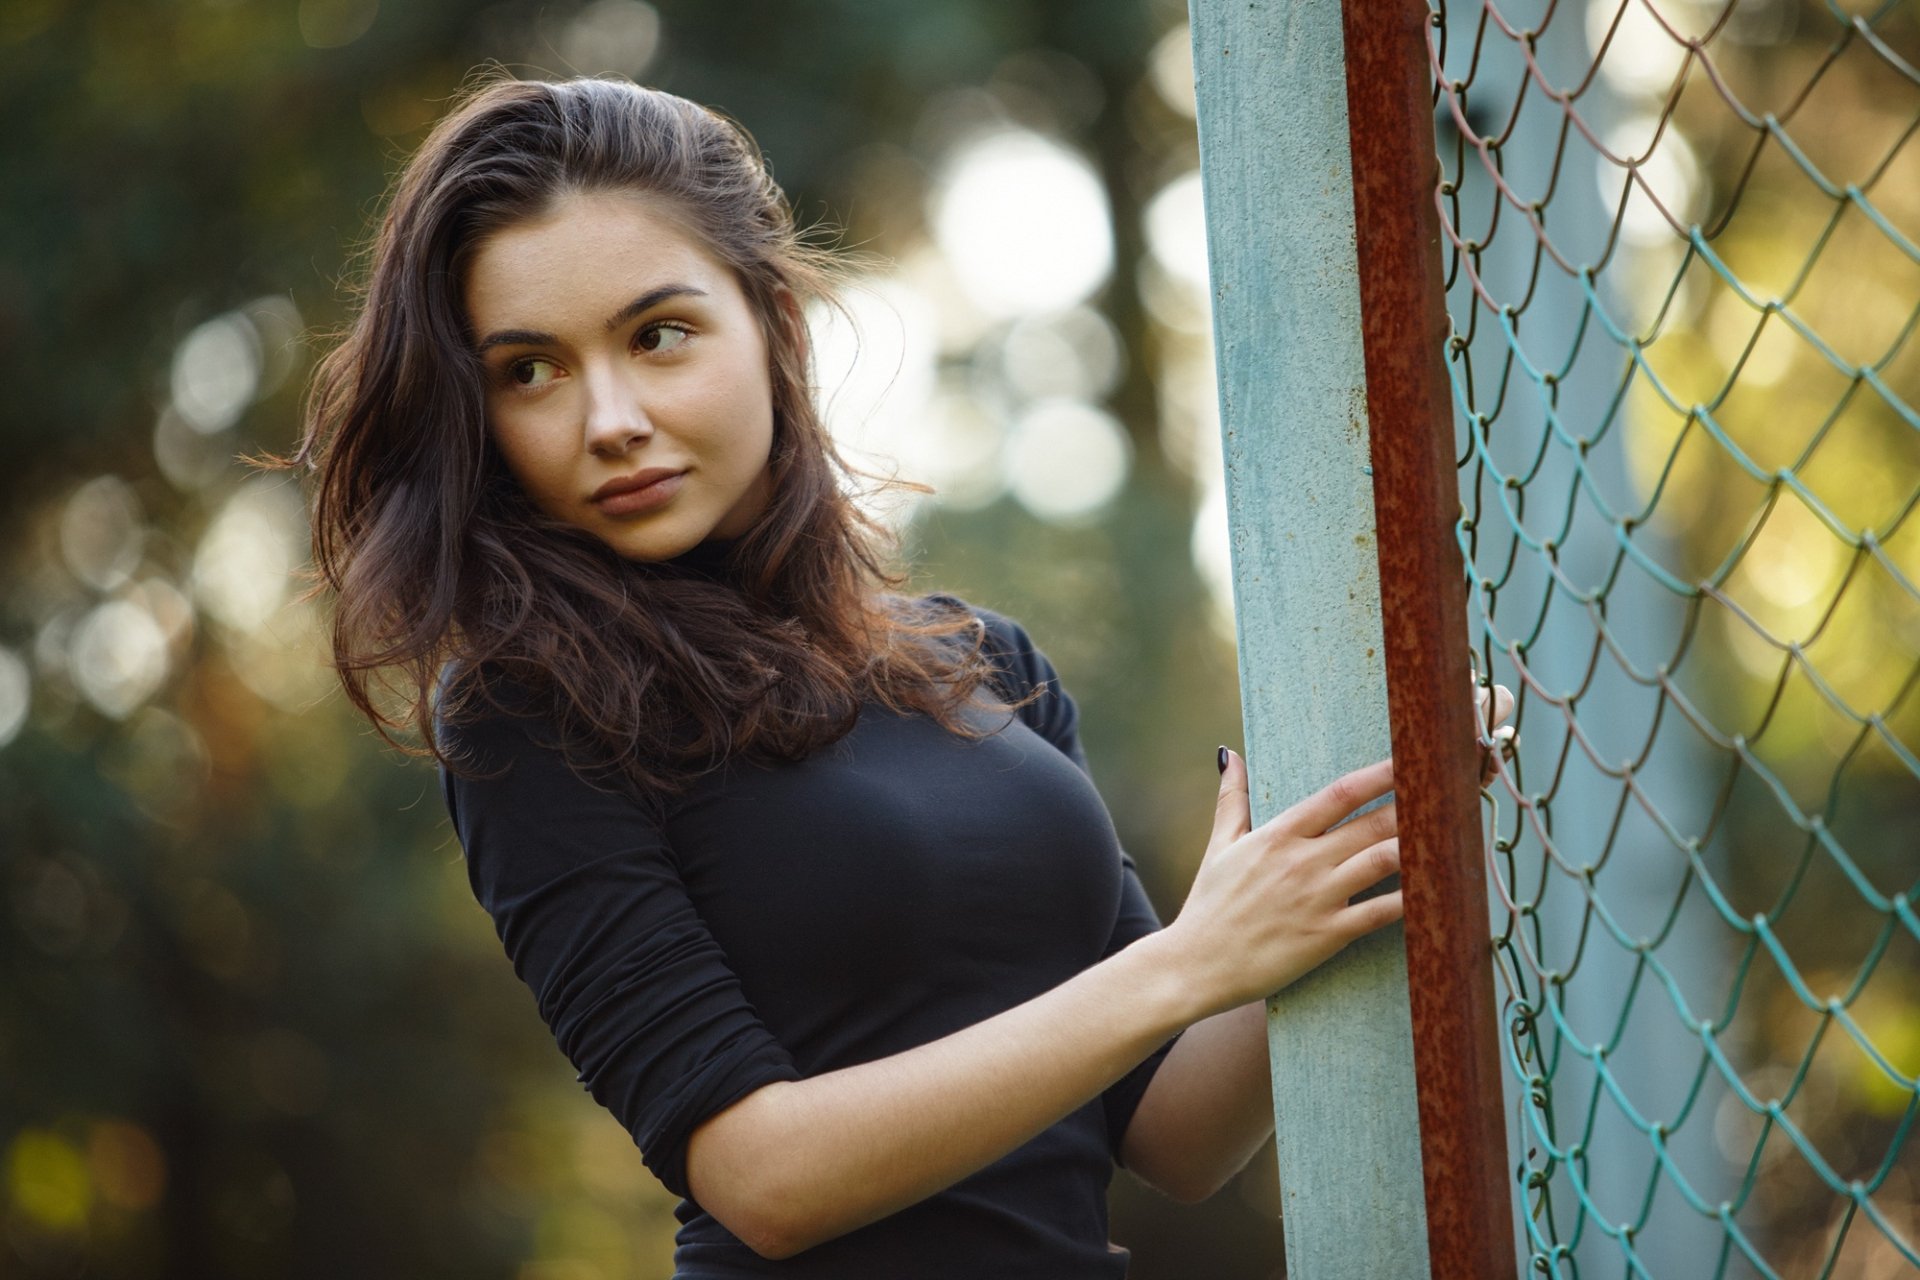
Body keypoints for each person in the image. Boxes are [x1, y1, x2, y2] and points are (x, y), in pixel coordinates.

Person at [287, 74, 1511, 1278]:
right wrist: (1189, 959)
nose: (608, 417)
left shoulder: (980, 660)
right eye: (530, 370)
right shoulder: (528, 712)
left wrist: (1343, 858)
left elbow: (1172, 1134)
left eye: (658, 335)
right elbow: (764, 1178)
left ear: (775, 328)